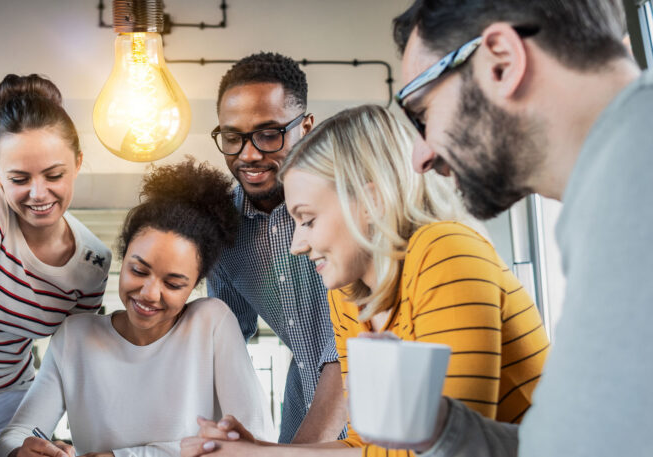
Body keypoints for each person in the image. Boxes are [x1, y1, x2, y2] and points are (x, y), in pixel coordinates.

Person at [183, 105, 549, 457]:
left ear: (370, 201)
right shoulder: (348, 296)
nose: (297, 245)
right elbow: (366, 445)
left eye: (307, 220)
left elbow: (448, 449)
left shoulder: (445, 251)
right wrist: (261, 451)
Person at [383, 1, 651, 455]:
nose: (420, 156)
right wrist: (441, 428)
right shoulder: (612, 184)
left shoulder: (636, 182)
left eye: (421, 113)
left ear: (503, 63)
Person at [0, 158, 274, 457]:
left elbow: (255, 443)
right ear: (123, 257)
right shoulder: (76, 336)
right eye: (139, 271)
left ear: (194, 284)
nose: (150, 294)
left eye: (174, 283)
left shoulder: (211, 322)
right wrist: (18, 452)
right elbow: (18, 434)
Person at [0, 74, 111, 448]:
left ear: (78, 163)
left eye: (54, 175)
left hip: (14, 399)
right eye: (19, 178)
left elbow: (74, 358)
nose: (38, 194)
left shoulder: (93, 262)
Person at [208, 52, 347, 445]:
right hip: (302, 411)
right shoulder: (223, 232)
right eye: (233, 138)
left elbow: (351, 347)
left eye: (269, 134)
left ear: (305, 128)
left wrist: (296, 454)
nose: (249, 154)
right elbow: (225, 342)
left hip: (380, 410)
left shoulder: (347, 204)